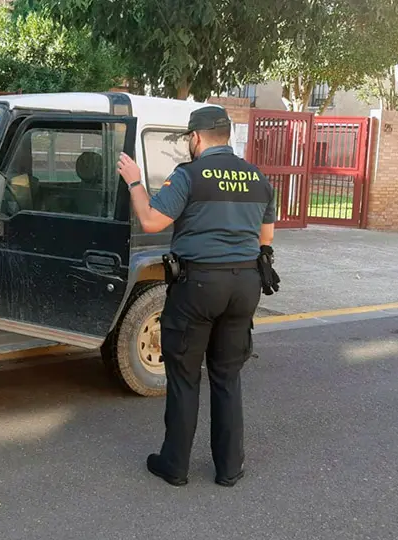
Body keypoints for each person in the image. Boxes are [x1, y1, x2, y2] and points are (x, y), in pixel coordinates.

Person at [116, 105, 280, 488]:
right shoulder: (258, 178)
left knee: (186, 376)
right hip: (245, 287)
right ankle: (229, 468)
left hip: (200, 286)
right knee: (227, 376)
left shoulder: (189, 176)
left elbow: (152, 221)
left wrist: (135, 183)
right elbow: (266, 239)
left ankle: (174, 464)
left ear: (196, 138)